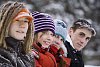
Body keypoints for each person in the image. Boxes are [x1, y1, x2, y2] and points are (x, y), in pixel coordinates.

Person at [0, 1, 34, 67]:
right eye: (17, 20)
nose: (22, 25)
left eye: (26, 21)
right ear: (5, 23)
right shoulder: (2, 57)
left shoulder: (28, 56)